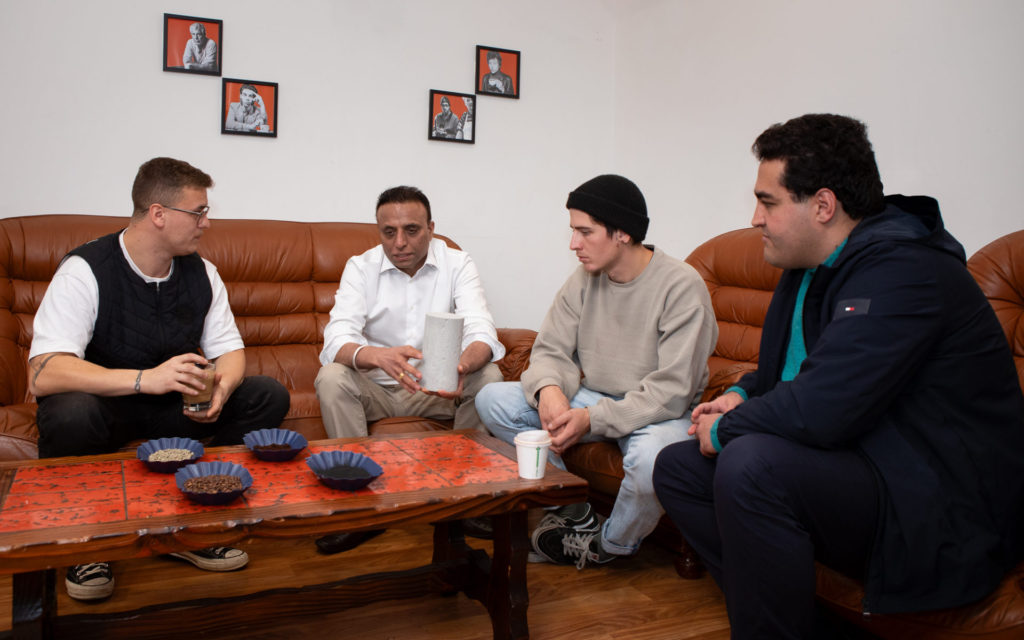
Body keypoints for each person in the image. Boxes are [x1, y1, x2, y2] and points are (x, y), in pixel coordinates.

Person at [652, 113, 1024, 638]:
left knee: (751, 464)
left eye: (768, 201)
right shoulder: (806, 267)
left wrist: (728, 429)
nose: (755, 218)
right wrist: (738, 395)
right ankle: (790, 619)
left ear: (823, 206)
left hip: (934, 500)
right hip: (867, 463)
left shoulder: (905, 272)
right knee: (677, 468)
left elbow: (823, 408)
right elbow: (788, 372)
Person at [28, 157, 291, 602]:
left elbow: (230, 350)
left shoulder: (202, 272)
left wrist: (221, 390)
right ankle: (87, 544)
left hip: (175, 414)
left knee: (266, 395)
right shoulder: (85, 269)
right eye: (199, 212)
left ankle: (193, 528)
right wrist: (143, 380)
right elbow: (43, 371)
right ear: (158, 214)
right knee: (68, 410)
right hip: (108, 411)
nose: (207, 223)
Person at [476, 174, 718, 569]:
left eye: (585, 232)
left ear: (622, 232)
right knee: (493, 399)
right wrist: (550, 390)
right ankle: (572, 509)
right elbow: (550, 348)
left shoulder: (681, 286)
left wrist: (592, 419)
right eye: (573, 231)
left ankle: (609, 546)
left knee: (653, 460)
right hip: (595, 397)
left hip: (659, 414)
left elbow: (672, 391)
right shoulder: (585, 278)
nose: (574, 244)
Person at [314, 185, 505, 553]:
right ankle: (359, 509)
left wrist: (462, 365)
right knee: (332, 378)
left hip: (436, 389)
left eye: (412, 230)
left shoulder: (457, 263)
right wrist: (376, 355)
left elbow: (482, 330)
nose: (400, 242)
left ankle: (461, 502)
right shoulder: (360, 267)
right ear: (379, 231)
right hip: (377, 391)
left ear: (431, 228)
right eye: (389, 232)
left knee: (491, 377)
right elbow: (336, 337)